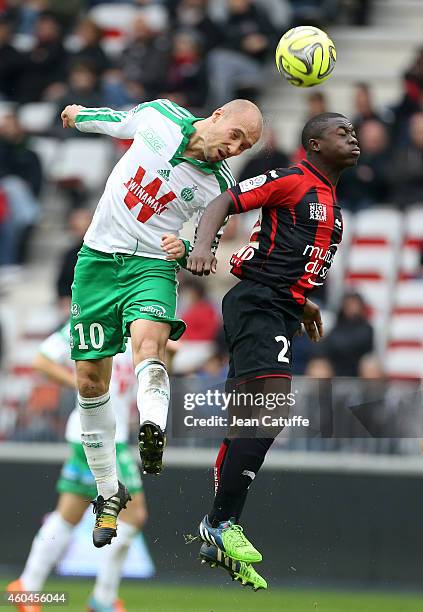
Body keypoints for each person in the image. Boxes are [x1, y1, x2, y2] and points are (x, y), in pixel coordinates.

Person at [60, 97, 262, 548]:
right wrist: (78, 116)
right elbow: (116, 122)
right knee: (90, 382)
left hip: (151, 267)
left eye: (244, 145)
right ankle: (109, 493)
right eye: (234, 135)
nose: (235, 147)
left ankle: (154, 425)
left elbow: (202, 250)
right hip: (96, 261)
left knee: (148, 347)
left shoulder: (220, 187)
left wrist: (185, 252)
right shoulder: (161, 117)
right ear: (217, 117)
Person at [185, 112, 360, 589]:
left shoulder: (332, 203)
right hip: (257, 301)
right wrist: (204, 246)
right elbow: (225, 199)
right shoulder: (292, 179)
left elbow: (293, 256)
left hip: (279, 308)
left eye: (352, 130)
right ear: (315, 145)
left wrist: (302, 304)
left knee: (251, 418)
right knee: (268, 409)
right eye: (341, 131)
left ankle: (218, 529)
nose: (353, 136)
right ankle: (221, 523)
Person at [7, 323, 147, 612]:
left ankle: (26, 587)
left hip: (100, 433)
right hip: (100, 436)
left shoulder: (135, 326)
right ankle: (103, 598)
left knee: (69, 515)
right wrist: (81, 384)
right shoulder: (90, 320)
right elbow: (41, 360)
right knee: (134, 515)